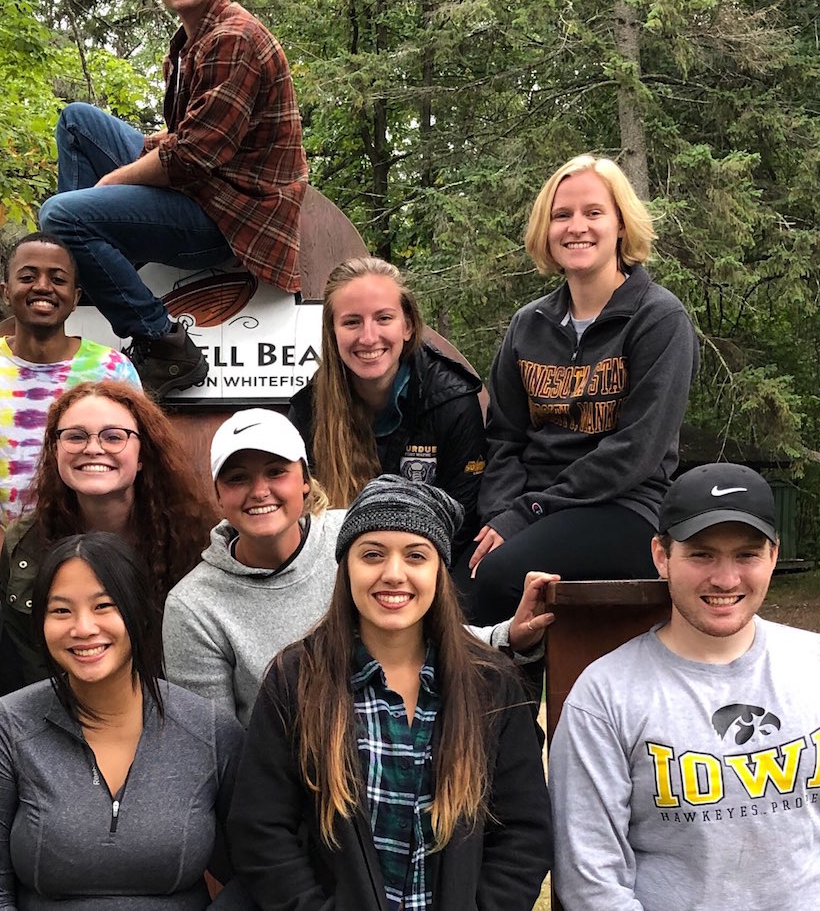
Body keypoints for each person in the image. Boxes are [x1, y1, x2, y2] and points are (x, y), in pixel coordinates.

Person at [548, 463, 820, 911]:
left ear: (773, 555)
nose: (726, 579)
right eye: (702, 554)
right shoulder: (604, 696)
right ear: (661, 555)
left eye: (746, 555)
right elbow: (590, 882)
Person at [228, 476, 553, 910]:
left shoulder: (491, 685)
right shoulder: (296, 680)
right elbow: (261, 829)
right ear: (346, 569)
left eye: (416, 556)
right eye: (372, 555)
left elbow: (523, 833)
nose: (393, 574)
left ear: (439, 569)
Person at [37, 0, 308, 400]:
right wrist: (145, 155)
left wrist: (111, 185)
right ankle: (83, 272)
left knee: (62, 215)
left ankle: (161, 342)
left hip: (232, 217)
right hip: (205, 187)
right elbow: (187, 136)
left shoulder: (234, 39)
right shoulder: (190, 40)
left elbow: (191, 157)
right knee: (77, 121)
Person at [164, 408, 536, 726]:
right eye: (238, 478)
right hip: (283, 777)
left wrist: (506, 636)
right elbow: (211, 745)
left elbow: (424, 627)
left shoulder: (354, 538)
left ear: (305, 481)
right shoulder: (195, 606)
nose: (259, 490)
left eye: (276, 472)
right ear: (217, 493)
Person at [470, 153, 698, 626]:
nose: (577, 226)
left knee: (497, 577)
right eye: (561, 215)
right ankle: (496, 699)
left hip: (627, 508)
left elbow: (635, 451)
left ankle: (521, 697)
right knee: (450, 575)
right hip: (536, 508)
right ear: (545, 230)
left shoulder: (658, 318)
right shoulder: (528, 324)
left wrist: (527, 513)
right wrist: (500, 514)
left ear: (620, 225)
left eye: (594, 212)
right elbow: (504, 438)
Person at [0, 532, 244, 909]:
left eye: (104, 606)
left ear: (139, 613)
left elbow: (255, 873)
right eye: (61, 610)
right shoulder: (4, 728)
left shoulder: (210, 730)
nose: (83, 628)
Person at [0, 231, 139, 588]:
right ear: (6, 291)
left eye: (58, 279)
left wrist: (88, 572)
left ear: (75, 298)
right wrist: (23, 573)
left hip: (101, 574)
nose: (43, 287)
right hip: (2, 577)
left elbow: (134, 481)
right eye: (27, 277)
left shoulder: (114, 372)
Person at [0, 379, 218, 678]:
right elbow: (26, 667)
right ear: (55, 451)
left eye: (114, 437)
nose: (93, 448)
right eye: (75, 437)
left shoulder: (198, 540)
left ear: (142, 455)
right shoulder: (25, 545)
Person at [288, 256, 485, 569]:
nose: (368, 337)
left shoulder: (450, 399)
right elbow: (300, 525)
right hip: (338, 574)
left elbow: (462, 523)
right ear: (332, 332)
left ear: (407, 326)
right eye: (352, 322)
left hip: (431, 571)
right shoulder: (308, 410)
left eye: (383, 318)